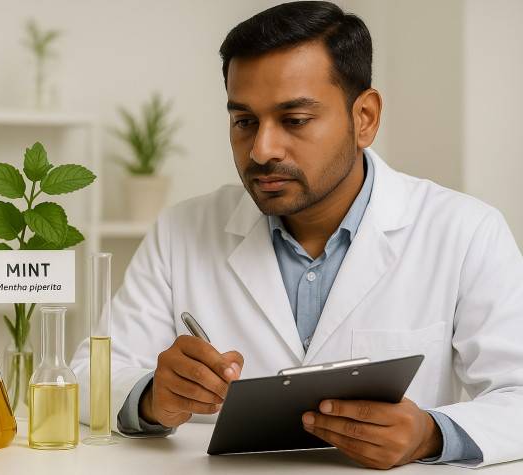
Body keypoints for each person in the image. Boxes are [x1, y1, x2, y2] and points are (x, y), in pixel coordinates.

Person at [70, 1, 523, 469]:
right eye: (244, 121)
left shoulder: (465, 230)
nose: (262, 150)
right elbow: (86, 376)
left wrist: (431, 434)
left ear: (364, 116)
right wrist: (152, 397)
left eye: (295, 120)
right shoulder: (182, 230)